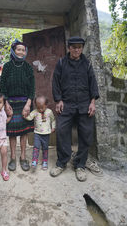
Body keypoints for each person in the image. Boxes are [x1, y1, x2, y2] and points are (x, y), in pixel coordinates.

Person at [50, 36, 99, 181]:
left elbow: (93, 84)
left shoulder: (87, 64)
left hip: (84, 104)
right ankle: (62, 162)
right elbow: (55, 82)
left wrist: (92, 102)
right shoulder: (61, 63)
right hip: (66, 104)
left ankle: (80, 165)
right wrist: (58, 100)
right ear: (69, 48)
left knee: (85, 134)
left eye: (79, 47)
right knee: (62, 131)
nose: (77, 49)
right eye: (74, 47)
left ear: (82, 48)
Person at [0, 39, 35, 172]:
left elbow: (32, 88)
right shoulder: (7, 66)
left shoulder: (28, 67)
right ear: (14, 51)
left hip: (25, 103)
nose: (21, 52)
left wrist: (28, 103)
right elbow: (2, 87)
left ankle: (23, 157)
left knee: (24, 132)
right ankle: (13, 158)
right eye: (18, 49)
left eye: (23, 50)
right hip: (11, 103)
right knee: (12, 133)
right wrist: (5, 103)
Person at [24, 96, 56, 170]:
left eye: (42, 107)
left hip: (46, 134)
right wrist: (25, 116)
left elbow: (53, 120)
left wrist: (53, 127)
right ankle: (34, 161)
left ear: (46, 105)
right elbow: (30, 117)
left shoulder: (49, 112)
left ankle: (45, 161)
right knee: (36, 147)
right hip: (37, 134)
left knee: (45, 148)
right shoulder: (35, 112)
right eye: (38, 107)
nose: (40, 109)